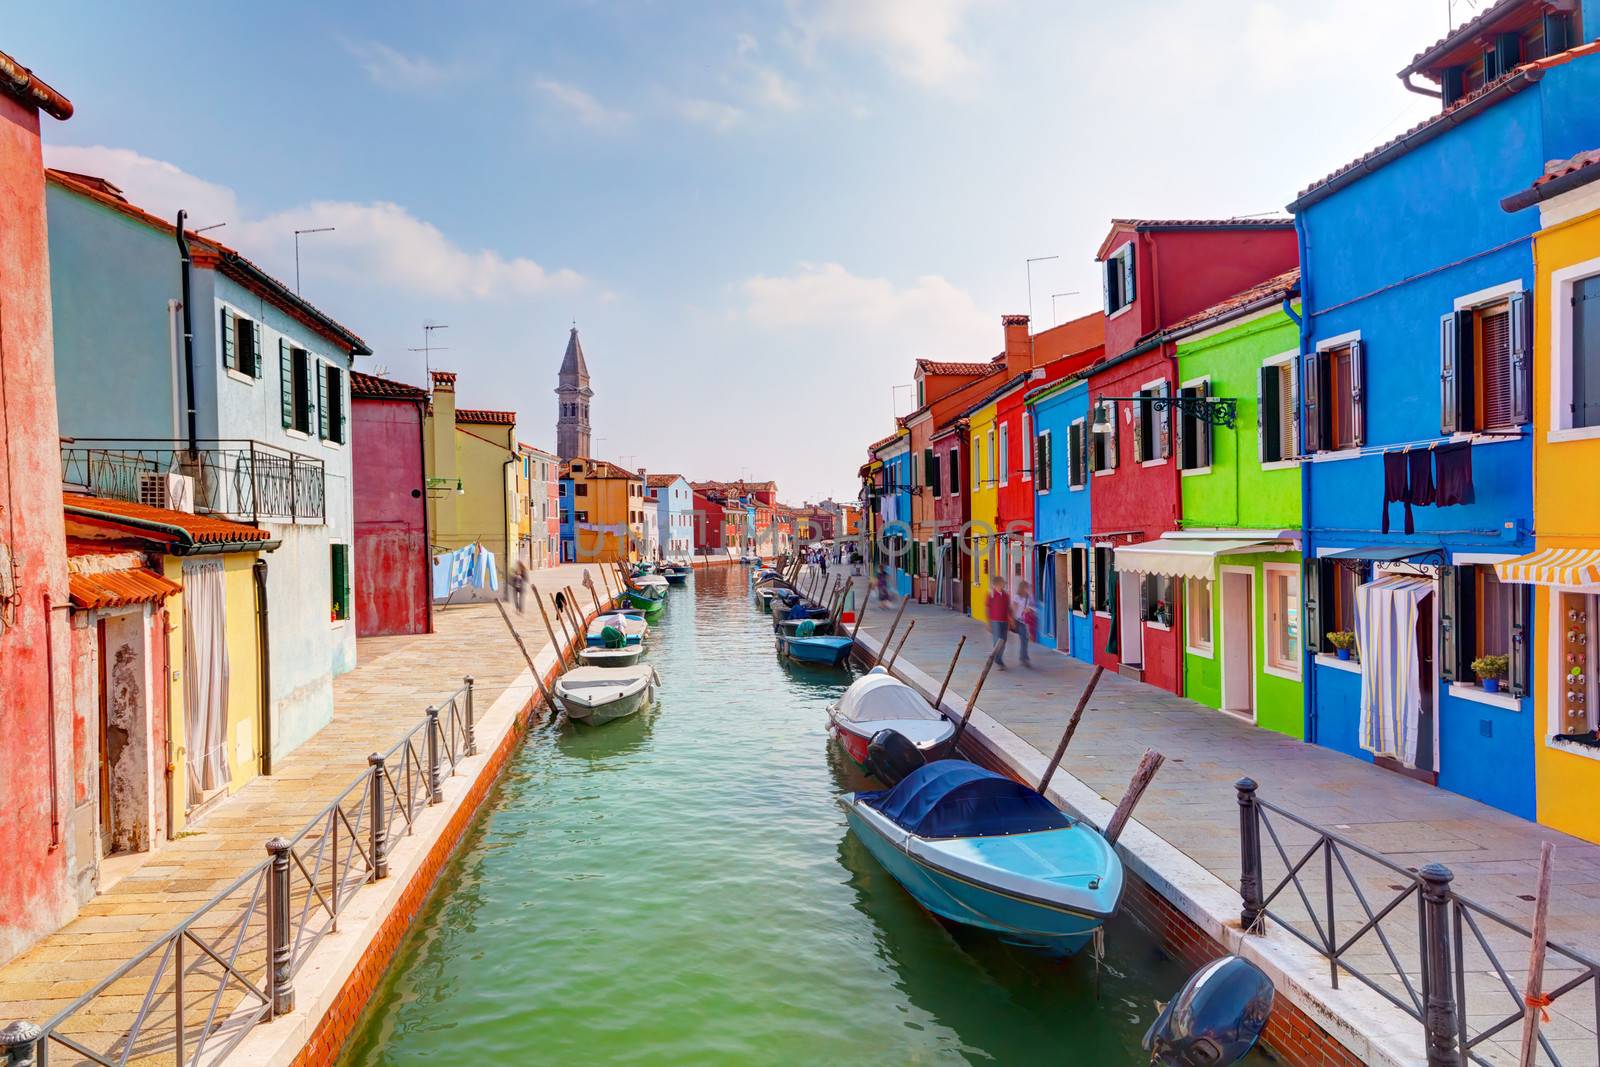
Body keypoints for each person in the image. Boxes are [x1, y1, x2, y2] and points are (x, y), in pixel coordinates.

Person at [986, 579, 1011, 669]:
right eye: (1001, 583)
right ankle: (998, 660)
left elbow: (1008, 608)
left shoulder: (1006, 595)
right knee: (997, 641)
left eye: (1003, 583)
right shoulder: (991, 595)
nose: (1002, 585)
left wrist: (1010, 620)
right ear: (996, 584)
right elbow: (988, 608)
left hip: (1004, 621)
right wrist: (988, 622)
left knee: (1003, 641)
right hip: (995, 621)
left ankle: (998, 658)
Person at [1013, 579, 1036, 668]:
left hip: (1026, 621)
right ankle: (1024, 658)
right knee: (1024, 639)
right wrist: (1013, 621)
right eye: (1026, 587)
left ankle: (1023, 657)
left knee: (1024, 640)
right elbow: (1014, 608)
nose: (1027, 589)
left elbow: (1033, 607)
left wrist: (1029, 609)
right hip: (1019, 621)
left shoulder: (1029, 597)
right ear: (1022, 588)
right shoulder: (1017, 597)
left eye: (1028, 587)